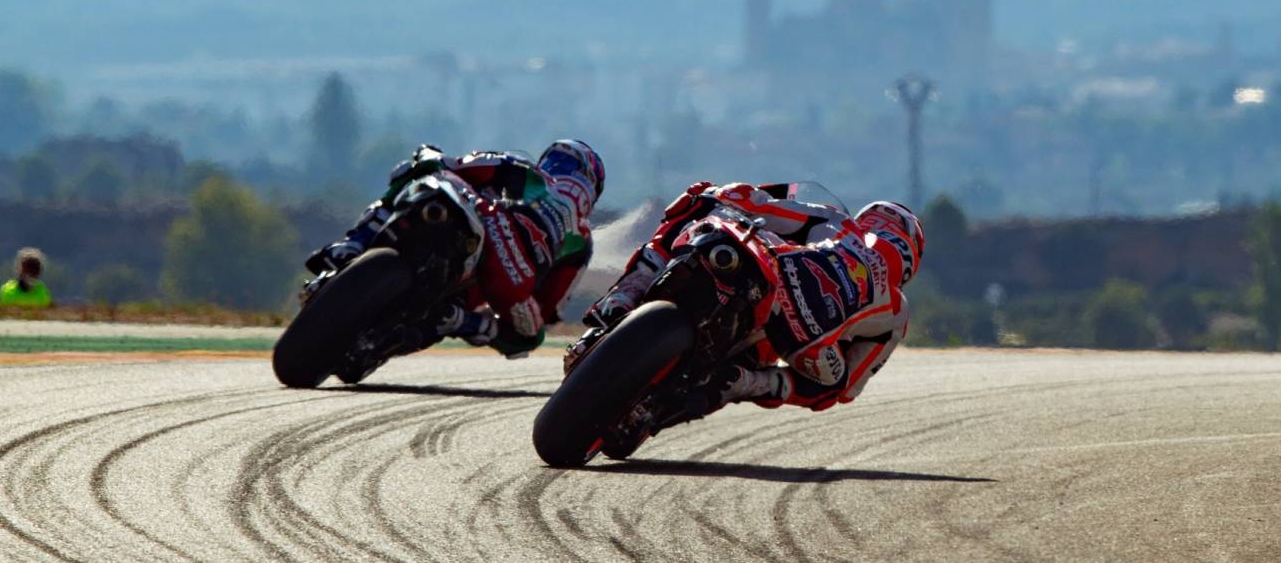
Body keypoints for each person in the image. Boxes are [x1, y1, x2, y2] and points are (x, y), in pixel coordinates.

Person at [572, 181, 923, 414]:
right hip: (805, 341)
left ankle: (627, 293)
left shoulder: (839, 223)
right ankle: (744, 382)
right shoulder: (896, 311)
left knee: (702, 198)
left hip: (777, 278)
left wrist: (734, 195)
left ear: (869, 219)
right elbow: (848, 388)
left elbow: (762, 208)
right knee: (831, 384)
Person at [306, 140, 604, 359]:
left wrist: (428, 158)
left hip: (486, 223)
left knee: (422, 165)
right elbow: (547, 311)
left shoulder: (528, 172)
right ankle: (458, 320)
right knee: (529, 336)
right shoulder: (581, 237)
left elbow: (454, 165)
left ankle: (353, 244)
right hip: (510, 281)